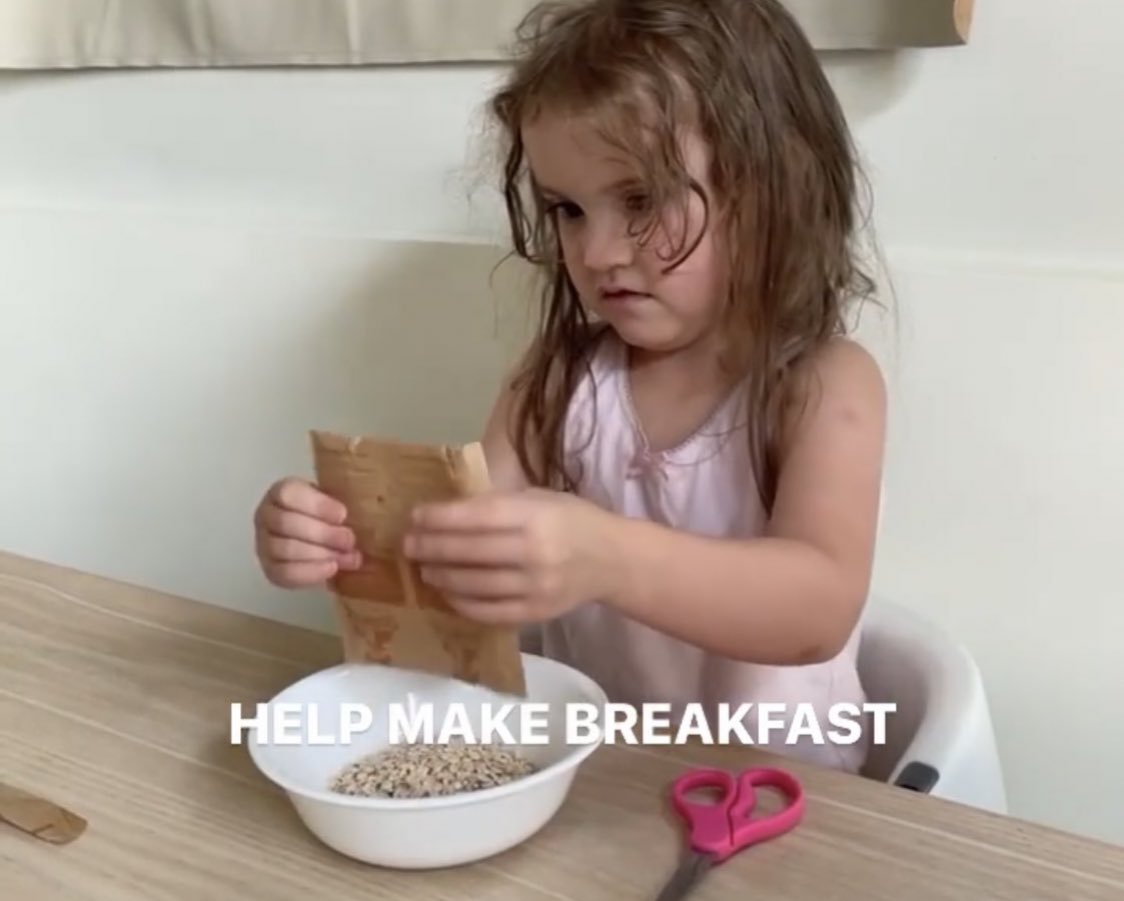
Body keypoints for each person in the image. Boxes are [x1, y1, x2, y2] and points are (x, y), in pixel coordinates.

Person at [253, 0, 887, 773]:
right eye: (568, 209)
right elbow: (459, 557)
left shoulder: (821, 382)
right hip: (601, 776)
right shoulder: (558, 377)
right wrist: (335, 541)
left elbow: (817, 610)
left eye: (641, 198)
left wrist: (607, 557)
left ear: (773, 187)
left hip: (781, 793)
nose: (596, 251)